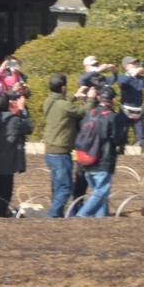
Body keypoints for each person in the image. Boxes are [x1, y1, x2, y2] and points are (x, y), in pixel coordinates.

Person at [40, 74, 87, 219]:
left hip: (50, 151)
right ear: (63, 87)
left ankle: (57, 214)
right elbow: (82, 111)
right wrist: (90, 99)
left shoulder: (49, 101)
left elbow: (63, 106)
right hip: (61, 152)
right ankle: (53, 216)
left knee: (57, 187)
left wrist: (74, 97)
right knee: (66, 188)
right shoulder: (64, 105)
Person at [74, 93, 128, 217]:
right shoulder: (112, 117)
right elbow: (118, 139)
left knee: (99, 196)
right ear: (113, 100)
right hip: (103, 160)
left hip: (86, 159)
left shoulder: (90, 114)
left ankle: (101, 221)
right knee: (101, 193)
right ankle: (81, 216)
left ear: (99, 98)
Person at [0, 88, 31, 218]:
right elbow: (28, 128)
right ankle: (0, 217)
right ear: (7, 104)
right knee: (4, 195)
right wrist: (22, 110)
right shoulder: (14, 120)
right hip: (7, 165)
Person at [116, 57, 144, 149]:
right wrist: (133, 74)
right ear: (126, 66)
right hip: (125, 110)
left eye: (137, 63)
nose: (136, 65)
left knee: (141, 138)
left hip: (139, 110)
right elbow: (123, 82)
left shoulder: (141, 78)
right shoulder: (122, 76)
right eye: (133, 63)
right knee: (121, 137)